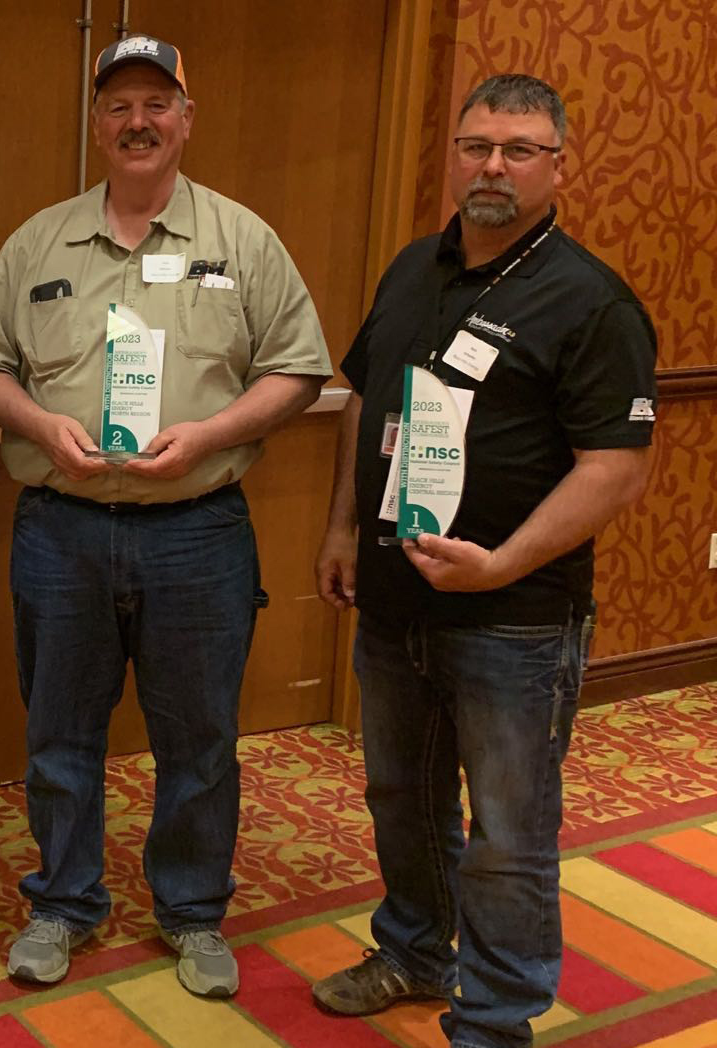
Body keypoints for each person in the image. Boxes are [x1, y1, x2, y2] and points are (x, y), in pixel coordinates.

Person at [0, 34, 331, 998]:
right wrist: (39, 420)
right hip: (62, 528)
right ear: (96, 125)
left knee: (200, 737)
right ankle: (62, 902)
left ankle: (193, 911)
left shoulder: (242, 240)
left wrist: (209, 435)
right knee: (60, 730)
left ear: (185, 119)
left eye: (156, 104)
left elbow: (297, 368)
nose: (137, 121)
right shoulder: (39, 241)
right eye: (118, 105)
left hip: (197, 531)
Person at [312, 74, 656, 1047]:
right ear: (453, 156)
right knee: (403, 801)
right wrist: (341, 528)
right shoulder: (412, 267)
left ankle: (497, 1018)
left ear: (559, 166)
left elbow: (614, 471)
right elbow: (365, 405)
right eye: (476, 146)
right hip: (395, 604)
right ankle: (417, 951)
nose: (492, 166)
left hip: (515, 620)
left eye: (518, 150)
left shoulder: (592, 302)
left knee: (507, 834)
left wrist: (501, 563)